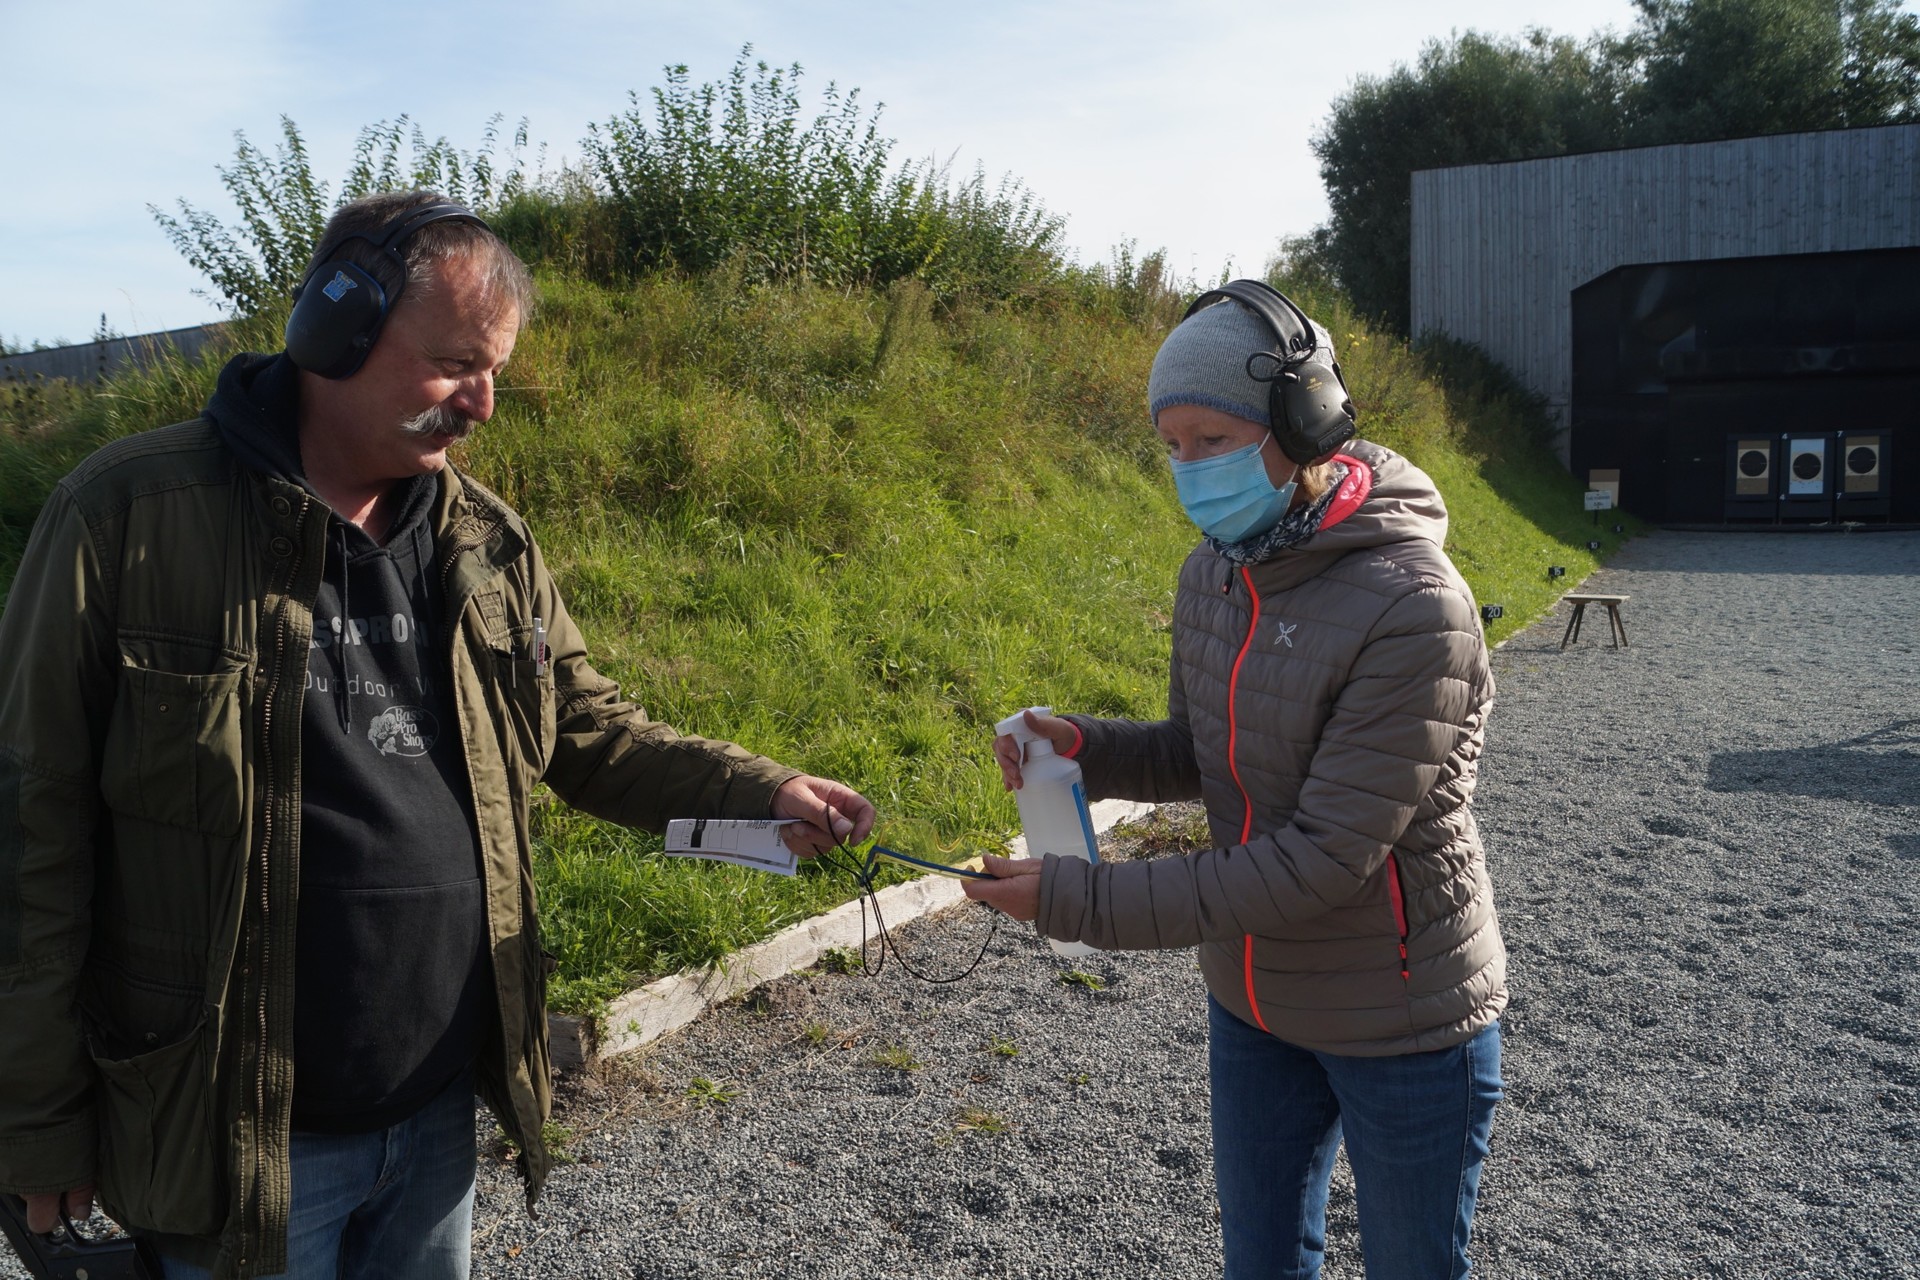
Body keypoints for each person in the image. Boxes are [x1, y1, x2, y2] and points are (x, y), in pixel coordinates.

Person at [0, 189, 874, 1280]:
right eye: (460, 363)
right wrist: (36, 1120)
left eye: (497, 367)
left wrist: (767, 786)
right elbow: (31, 835)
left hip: (432, 1123)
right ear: (334, 329)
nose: (485, 403)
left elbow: (588, 729)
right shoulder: (125, 520)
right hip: (236, 1139)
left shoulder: (488, 538)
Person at [964, 281, 1507, 1279]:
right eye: (1171, 446)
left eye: (1210, 438)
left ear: (1300, 425)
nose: (1187, 470)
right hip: (1253, 997)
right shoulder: (1214, 571)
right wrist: (1087, 745)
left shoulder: (1418, 609)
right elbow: (1200, 750)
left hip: (1403, 1015)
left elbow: (1322, 858)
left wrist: (1079, 897)